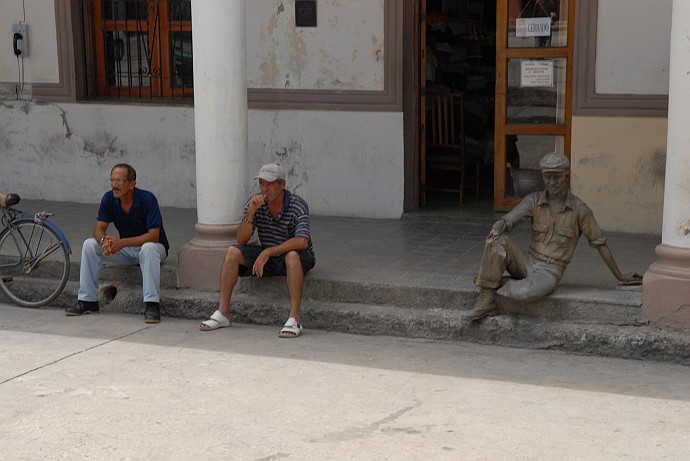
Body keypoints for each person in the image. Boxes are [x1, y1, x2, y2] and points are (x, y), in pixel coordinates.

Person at [462, 152, 642, 321]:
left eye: (557, 176)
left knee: (524, 293)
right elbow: (509, 219)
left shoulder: (580, 211)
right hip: (527, 260)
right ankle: (487, 301)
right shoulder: (533, 200)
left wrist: (620, 275)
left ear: (566, 175)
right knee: (496, 242)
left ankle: (491, 282)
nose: (552, 182)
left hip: (550, 271)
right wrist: (499, 225)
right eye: (547, 177)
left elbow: (600, 245)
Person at [200, 163, 316, 337]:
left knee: (291, 256)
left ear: (282, 184)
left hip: (297, 256)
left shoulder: (297, 205)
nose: (264, 188)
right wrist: (250, 213)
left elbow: (302, 241)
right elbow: (242, 239)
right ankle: (223, 313)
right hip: (269, 254)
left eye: (269, 184)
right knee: (233, 252)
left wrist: (268, 252)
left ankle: (295, 318)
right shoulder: (255, 203)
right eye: (261, 183)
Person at [65, 163, 169, 323]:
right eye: (112, 180)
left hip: (154, 249)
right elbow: (98, 228)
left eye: (119, 181)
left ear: (132, 184)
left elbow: (154, 236)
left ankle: (152, 305)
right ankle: (88, 301)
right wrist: (104, 241)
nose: (114, 185)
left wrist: (121, 243)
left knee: (148, 248)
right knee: (89, 245)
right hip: (127, 250)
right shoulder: (109, 198)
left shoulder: (147, 199)